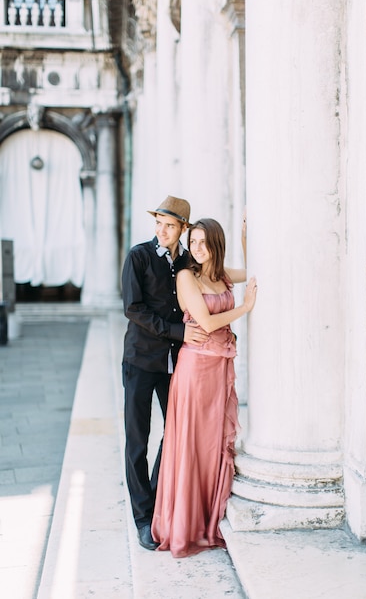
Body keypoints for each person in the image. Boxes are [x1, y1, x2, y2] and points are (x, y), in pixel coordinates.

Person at [151, 217, 257, 558]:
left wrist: (245, 239)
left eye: (202, 242)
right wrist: (245, 308)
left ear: (214, 244)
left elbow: (252, 270)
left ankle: (209, 515)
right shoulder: (187, 277)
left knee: (212, 442)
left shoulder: (219, 276)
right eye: (193, 242)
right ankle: (185, 523)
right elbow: (209, 323)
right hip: (195, 370)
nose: (196, 248)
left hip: (218, 368)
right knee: (192, 444)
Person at [121, 196, 209, 551]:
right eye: (159, 223)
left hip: (172, 363)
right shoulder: (138, 256)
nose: (162, 230)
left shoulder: (186, 261)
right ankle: (144, 518)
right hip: (141, 361)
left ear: (182, 230)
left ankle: (157, 499)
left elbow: (215, 273)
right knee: (137, 440)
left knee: (173, 433)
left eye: (170, 225)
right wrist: (178, 332)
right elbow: (133, 308)